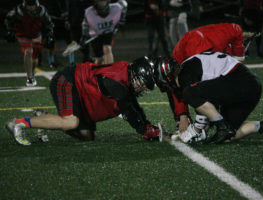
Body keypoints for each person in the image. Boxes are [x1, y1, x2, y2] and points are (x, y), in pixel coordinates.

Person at [6, 57, 161, 146]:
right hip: (68, 81)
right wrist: (144, 129)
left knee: (86, 135)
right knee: (70, 122)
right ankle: (19, 123)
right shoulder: (117, 83)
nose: (142, 89)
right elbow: (129, 108)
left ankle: (43, 117)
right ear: (134, 75)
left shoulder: (125, 77)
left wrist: (145, 126)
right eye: (141, 84)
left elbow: (131, 104)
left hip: (81, 92)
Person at [153, 52, 263, 144]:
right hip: (250, 86)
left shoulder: (186, 73)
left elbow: (198, 99)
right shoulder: (189, 68)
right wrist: (200, 128)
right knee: (229, 136)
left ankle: (223, 127)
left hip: (239, 81)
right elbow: (208, 104)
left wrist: (196, 130)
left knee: (190, 94)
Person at [158, 23, 252, 133]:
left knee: (201, 93)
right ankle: (186, 120)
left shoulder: (225, 35)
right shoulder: (193, 50)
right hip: (201, 56)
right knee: (190, 90)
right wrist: (183, 116)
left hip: (211, 58)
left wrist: (238, 52)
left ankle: (212, 122)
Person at [4, 0, 54, 86]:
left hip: (36, 34)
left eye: (32, 5)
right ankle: (29, 78)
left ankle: (32, 72)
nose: (31, 7)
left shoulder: (41, 10)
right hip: (22, 34)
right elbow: (8, 19)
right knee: (28, 51)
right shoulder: (19, 10)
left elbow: (49, 23)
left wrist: (49, 35)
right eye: (29, 5)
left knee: (34, 59)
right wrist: (9, 31)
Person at [81, 0, 127, 64]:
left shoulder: (115, 8)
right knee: (99, 58)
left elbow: (124, 4)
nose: (102, 3)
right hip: (95, 35)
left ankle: (109, 71)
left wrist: (122, 19)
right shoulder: (89, 12)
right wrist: (85, 37)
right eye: (100, 1)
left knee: (107, 48)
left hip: (108, 33)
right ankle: (97, 72)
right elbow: (85, 25)